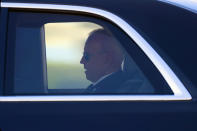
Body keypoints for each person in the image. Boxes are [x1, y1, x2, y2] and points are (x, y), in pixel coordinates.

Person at [80, 29, 127, 93]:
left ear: (107, 59)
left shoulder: (107, 92)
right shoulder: (100, 88)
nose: (82, 61)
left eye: (86, 56)